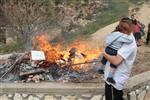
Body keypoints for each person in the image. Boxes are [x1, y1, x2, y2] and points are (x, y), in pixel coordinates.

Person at [103, 18, 137, 100]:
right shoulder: (124, 37)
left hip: (114, 80)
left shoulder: (130, 43)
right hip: (113, 78)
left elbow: (116, 61)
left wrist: (103, 53)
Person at [98, 18, 134, 84]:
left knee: (104, 59)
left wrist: (103, 51)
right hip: (113, 51)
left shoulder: (115, 33)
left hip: (107, 48)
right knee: (113, 65)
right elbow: (130, 40)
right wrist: (129, 35)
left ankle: (100, 69)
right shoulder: (123, 36)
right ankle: (110, 77)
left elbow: (107, 39)